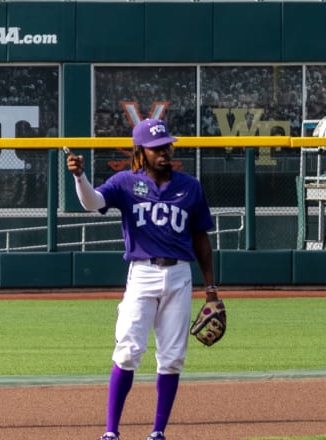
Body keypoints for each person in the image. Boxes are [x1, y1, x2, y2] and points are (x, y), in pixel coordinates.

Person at [65, 119, 219, 440]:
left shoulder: (190, 186)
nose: (165, 151)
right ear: (141, 151)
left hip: (179, 275)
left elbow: (201, 239)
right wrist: (80, 176)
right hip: (142, 273)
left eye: (167, 145)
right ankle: (111, 431)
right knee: (127, 351)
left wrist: (211, 289)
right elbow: (92, 202)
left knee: (173, 357)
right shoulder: (125, 182)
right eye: (157, 147)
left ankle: (158, 431)